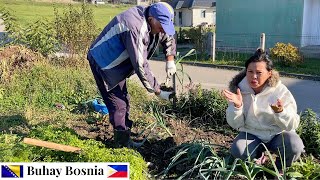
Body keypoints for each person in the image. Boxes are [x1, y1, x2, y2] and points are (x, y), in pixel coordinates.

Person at [87, 2, 177, 147]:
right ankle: (122, 144)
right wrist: (158, 91)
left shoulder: (157, 19)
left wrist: (170, 60)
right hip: (104, 62)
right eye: (160, 26)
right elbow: (140, 65)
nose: (162, 30)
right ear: (151, 19)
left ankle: (124, 135)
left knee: (124, 100)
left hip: (119, 62)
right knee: (118, 104)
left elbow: (169, 35)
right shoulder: (135, 27)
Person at [222, 49, 304, 171]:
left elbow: (293, 124)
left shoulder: (280, 91)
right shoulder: (239, 90)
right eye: (250, 71)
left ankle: (280, 169)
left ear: (269, 73)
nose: (253, 76)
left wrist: (280, 112)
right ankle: (258, 158)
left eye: (259, 72)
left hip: (277, 134)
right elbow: (235, 124)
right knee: (238, 149)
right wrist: (237, 107)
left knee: (295, 146)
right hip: (252, 134)